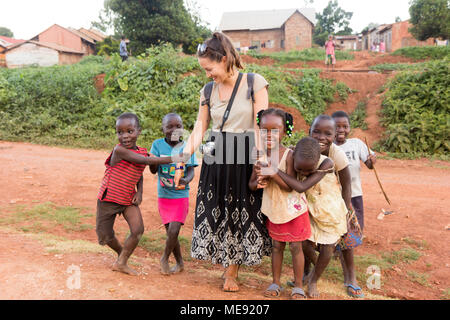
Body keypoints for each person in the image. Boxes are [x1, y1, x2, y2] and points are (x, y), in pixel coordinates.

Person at [179, 32, 271, 292]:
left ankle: (232, 270)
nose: (208, 74)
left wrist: (261, 161)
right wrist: (181, 156)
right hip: (216, 155)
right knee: (217, 209)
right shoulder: (207, 90)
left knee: (239, 212)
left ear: (224, 58)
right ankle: (226, 262)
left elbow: (260, 126)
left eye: (210, 68)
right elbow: (200, 127)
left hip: (243, 156)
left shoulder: (255, 83)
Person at [96, 112, 173, 276]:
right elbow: (144, 161)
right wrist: (174, 158)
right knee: (105, 236)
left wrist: (140, 191)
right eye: (120, 132)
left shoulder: (143, 152)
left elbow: (143, 169)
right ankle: (121, 253)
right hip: (108, 199)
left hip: (127, 199)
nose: (124, 136)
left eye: (129, 131)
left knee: (138, 229)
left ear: (139, 131)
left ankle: (121, 262)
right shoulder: (119, 150)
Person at [248, 109, 311, 300]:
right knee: (276, 246)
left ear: (285, 131)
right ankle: (275, 282)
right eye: (264, 129)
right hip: (274, 209)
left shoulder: (289, 155)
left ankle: (298, 286)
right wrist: (257, 183)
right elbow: (251, 183)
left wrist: (273, 173)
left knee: (295, 247)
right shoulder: (258, 154)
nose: (269, 135)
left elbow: (289, 187)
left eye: (275, 130)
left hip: (293, 210)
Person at [277, 137, 347, 298]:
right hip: (308, 210)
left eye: (309, 171)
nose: (303, 173)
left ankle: (314, 279)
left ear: (317, 161)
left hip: (329, 212)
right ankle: (317, 268)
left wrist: (275, 171)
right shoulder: (297, 157)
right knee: (303, 243)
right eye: (300, 170)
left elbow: (301, 186)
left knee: (327, 248)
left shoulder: (326, 163)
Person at [309, 115, 364, 298]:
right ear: (309, 131)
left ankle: (351, 278)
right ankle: (307, 273)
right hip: (311, 201)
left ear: (333, 136)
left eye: (327, 133)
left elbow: (346, 184)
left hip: (336, 202)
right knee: (304, 240)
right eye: (316, 131)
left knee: (346, 241)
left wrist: (345, 211)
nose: (321, 137)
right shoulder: (304, 148)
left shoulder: (336, 154)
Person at [149, 113, 198, 275]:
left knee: (174, 229)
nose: (174, 129)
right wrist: (153, 160)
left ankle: (164, 258)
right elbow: (152, 170)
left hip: (180, 195)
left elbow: (191, 171)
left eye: (178, 126)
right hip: (164, 195)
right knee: (171, 232)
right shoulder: (157, 145)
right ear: (163, 129)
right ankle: (180, 262)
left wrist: (186, 181)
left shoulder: (187, 147)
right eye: (169, 126)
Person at [332, 111, 376, 232]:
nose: (341, 130)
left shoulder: (356, 144)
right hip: (334, 193)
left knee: (356, 218)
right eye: (337, 127)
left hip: (354, 192)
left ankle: (353, 241)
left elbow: (369, 164)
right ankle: (338, 242)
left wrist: (372, 160)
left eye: (345, 126)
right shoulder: (328, 146)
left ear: (349, 128)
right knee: (337, 218)